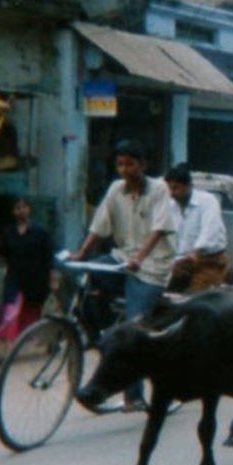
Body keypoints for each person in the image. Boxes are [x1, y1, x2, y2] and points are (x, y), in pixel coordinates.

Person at [70, 139, 175, 411]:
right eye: (120, 164)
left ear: (142, 165)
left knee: (133, 325)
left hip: (152, 265)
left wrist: (140, 257)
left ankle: (134, 395)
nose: (124, 169)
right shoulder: (116, 189)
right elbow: (99, 224)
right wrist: (81, 253)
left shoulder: (159, 189)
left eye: (130, 163)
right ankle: (102, 338)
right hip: (122, 258)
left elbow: (160, 228)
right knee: (89, 282)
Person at [0, 196, 56, 366]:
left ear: (29, 209)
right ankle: (7, 352)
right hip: (15, 279)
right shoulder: (9, 233)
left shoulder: (40, 232)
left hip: (36, 279)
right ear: (13, 212)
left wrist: (52, 279)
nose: (21, 211)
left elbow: (49, 257)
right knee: (9, 312)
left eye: (23, 207)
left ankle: (50, 342)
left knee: (37, 313)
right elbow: (5, 255)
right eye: (17, 208)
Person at [164, 163, 228, 293]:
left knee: (200, 300)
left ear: (188, 186)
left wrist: (194, 255)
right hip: (180, 262)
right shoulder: (170, 205)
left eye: (175, 188)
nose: (171, 194)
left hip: (209, 260)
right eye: (168, 189)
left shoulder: (207, 201)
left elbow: (210, 233)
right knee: (163, 293)